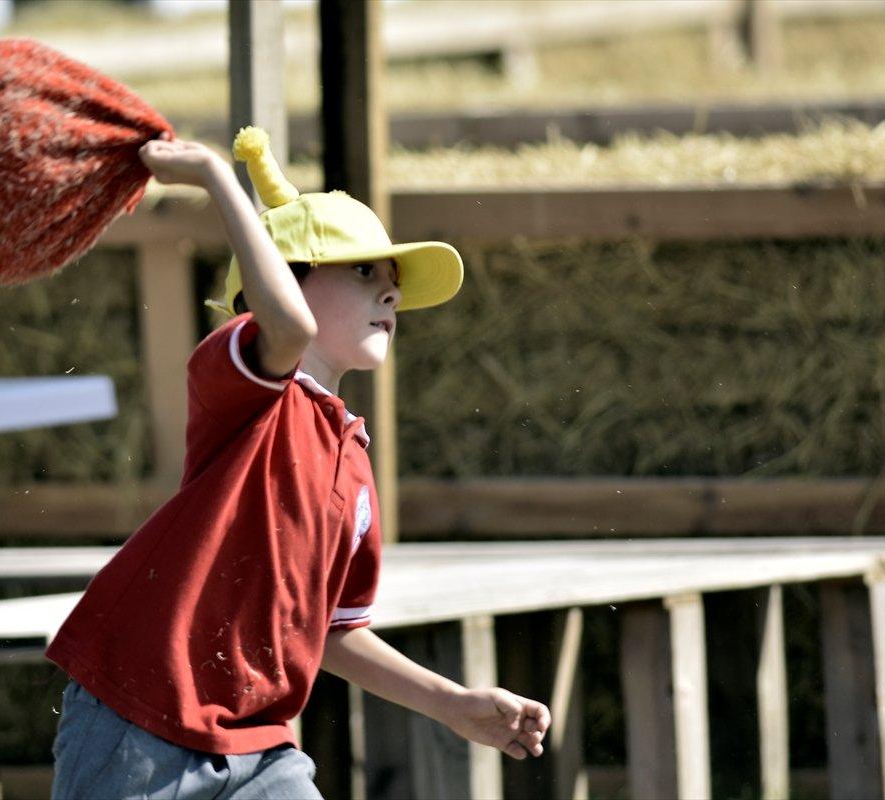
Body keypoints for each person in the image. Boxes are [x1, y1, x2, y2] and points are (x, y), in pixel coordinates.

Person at [45, 126, 551, 799]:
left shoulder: (353, 464)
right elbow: (289, 328)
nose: (392, 296)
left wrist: (451, 703)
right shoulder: (243, 393)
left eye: (394, 283)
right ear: (281, 282)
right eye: (364, 271)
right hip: (139, 721)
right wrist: (216, 178)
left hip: (260, 746)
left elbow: (336, 631)